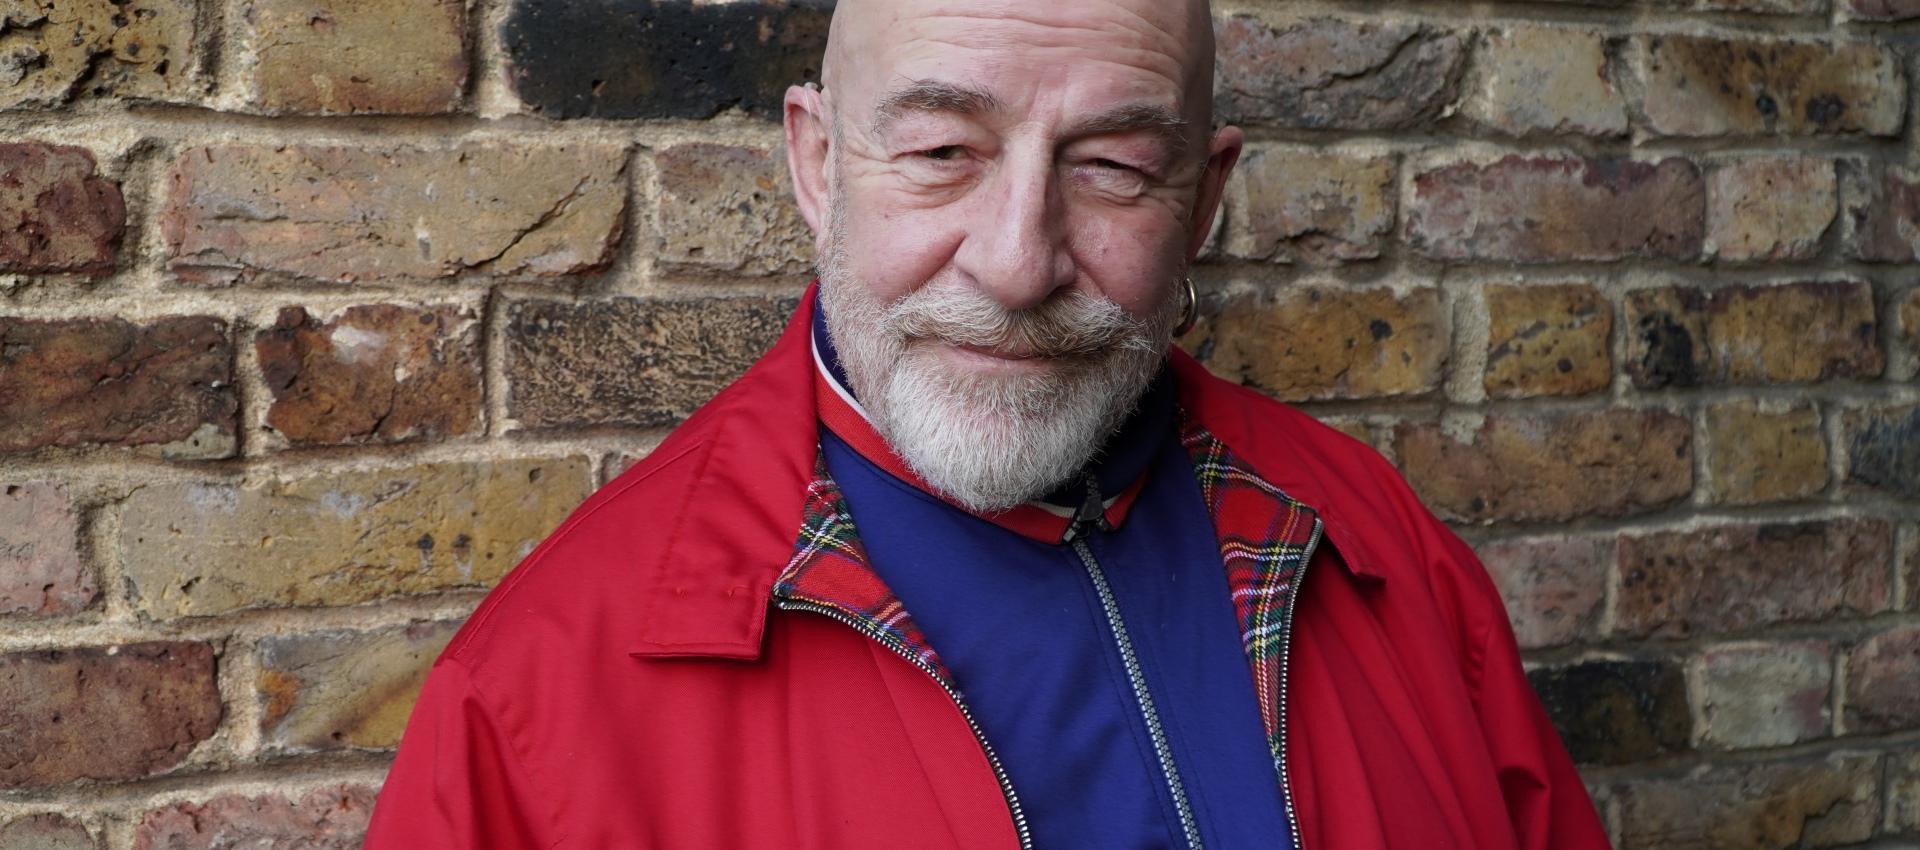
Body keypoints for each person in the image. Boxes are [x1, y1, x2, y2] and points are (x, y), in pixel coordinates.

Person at [364, 0, 1611, 847]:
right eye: (942, 150)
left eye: (1113, 168)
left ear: (1202, 199)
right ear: (818, 163)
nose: (1018, 264)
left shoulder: (1384, 547)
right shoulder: (533, 706)